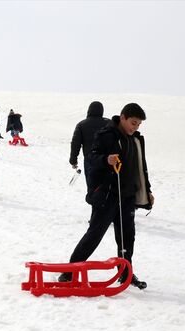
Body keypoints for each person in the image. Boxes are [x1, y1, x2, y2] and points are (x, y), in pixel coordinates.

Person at [59, 103, 154, 289]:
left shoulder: (135, 139)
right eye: (133, 123)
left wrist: (147, 191)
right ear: (123, 117)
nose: (135, 127)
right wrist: (106, 160)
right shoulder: (106, 135)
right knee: (95, 233)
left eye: (138, 125)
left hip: (127, 197)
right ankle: (69, 272)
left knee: (127, 237)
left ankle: (125, 273)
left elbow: (140, 168)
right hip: (107, 195)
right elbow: (92, 158)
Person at [70, 101, 110, 192]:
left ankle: (95, 204)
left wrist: (73, 160)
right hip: (107, 160)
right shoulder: (109, 123)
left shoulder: (81, 125)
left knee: (93, 188)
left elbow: (75, 144)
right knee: (108, 187)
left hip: (90, 160)